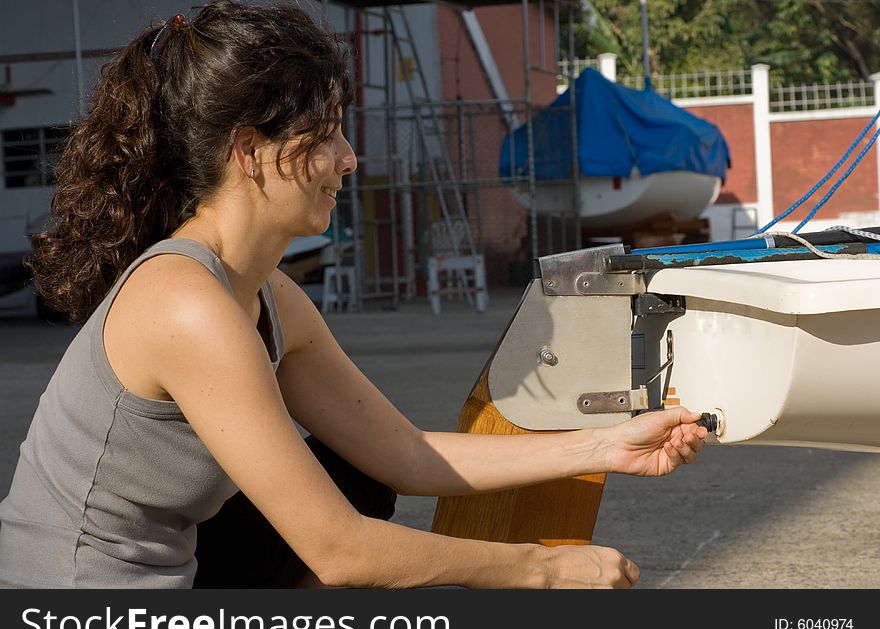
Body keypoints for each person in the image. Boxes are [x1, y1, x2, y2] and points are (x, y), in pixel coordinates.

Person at [0, 0, 707, 590]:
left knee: (358, 478)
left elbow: (404, 455)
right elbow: (341, 552)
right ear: (250, 152)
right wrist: (540, 566)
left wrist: (605, 445)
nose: (349, 157)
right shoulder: (187, 304)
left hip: (175, 578)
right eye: (326, 134)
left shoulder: (269, 296)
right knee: (349, 528)